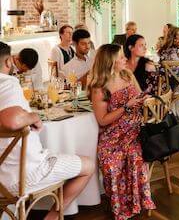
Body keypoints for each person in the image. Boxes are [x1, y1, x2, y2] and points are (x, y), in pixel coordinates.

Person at [0, 42, 95, 220]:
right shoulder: (8, 83)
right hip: (21, 177)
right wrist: (33, 117)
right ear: (7, 62)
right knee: (89, 165)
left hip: (4, 173)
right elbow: (11, 120)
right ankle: (51, 218)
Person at [89, 44, 155, 220]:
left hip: (134, 133)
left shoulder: (127, 75)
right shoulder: (99, 87)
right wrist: (126, 107)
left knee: (136, 157)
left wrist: (144, 99)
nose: (125, 59)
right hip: (112, 137)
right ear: (110, 62)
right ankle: (120, 208)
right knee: (111, 165)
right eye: (121, 57)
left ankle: (136, 203)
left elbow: (139, 96)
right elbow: (102, 120)